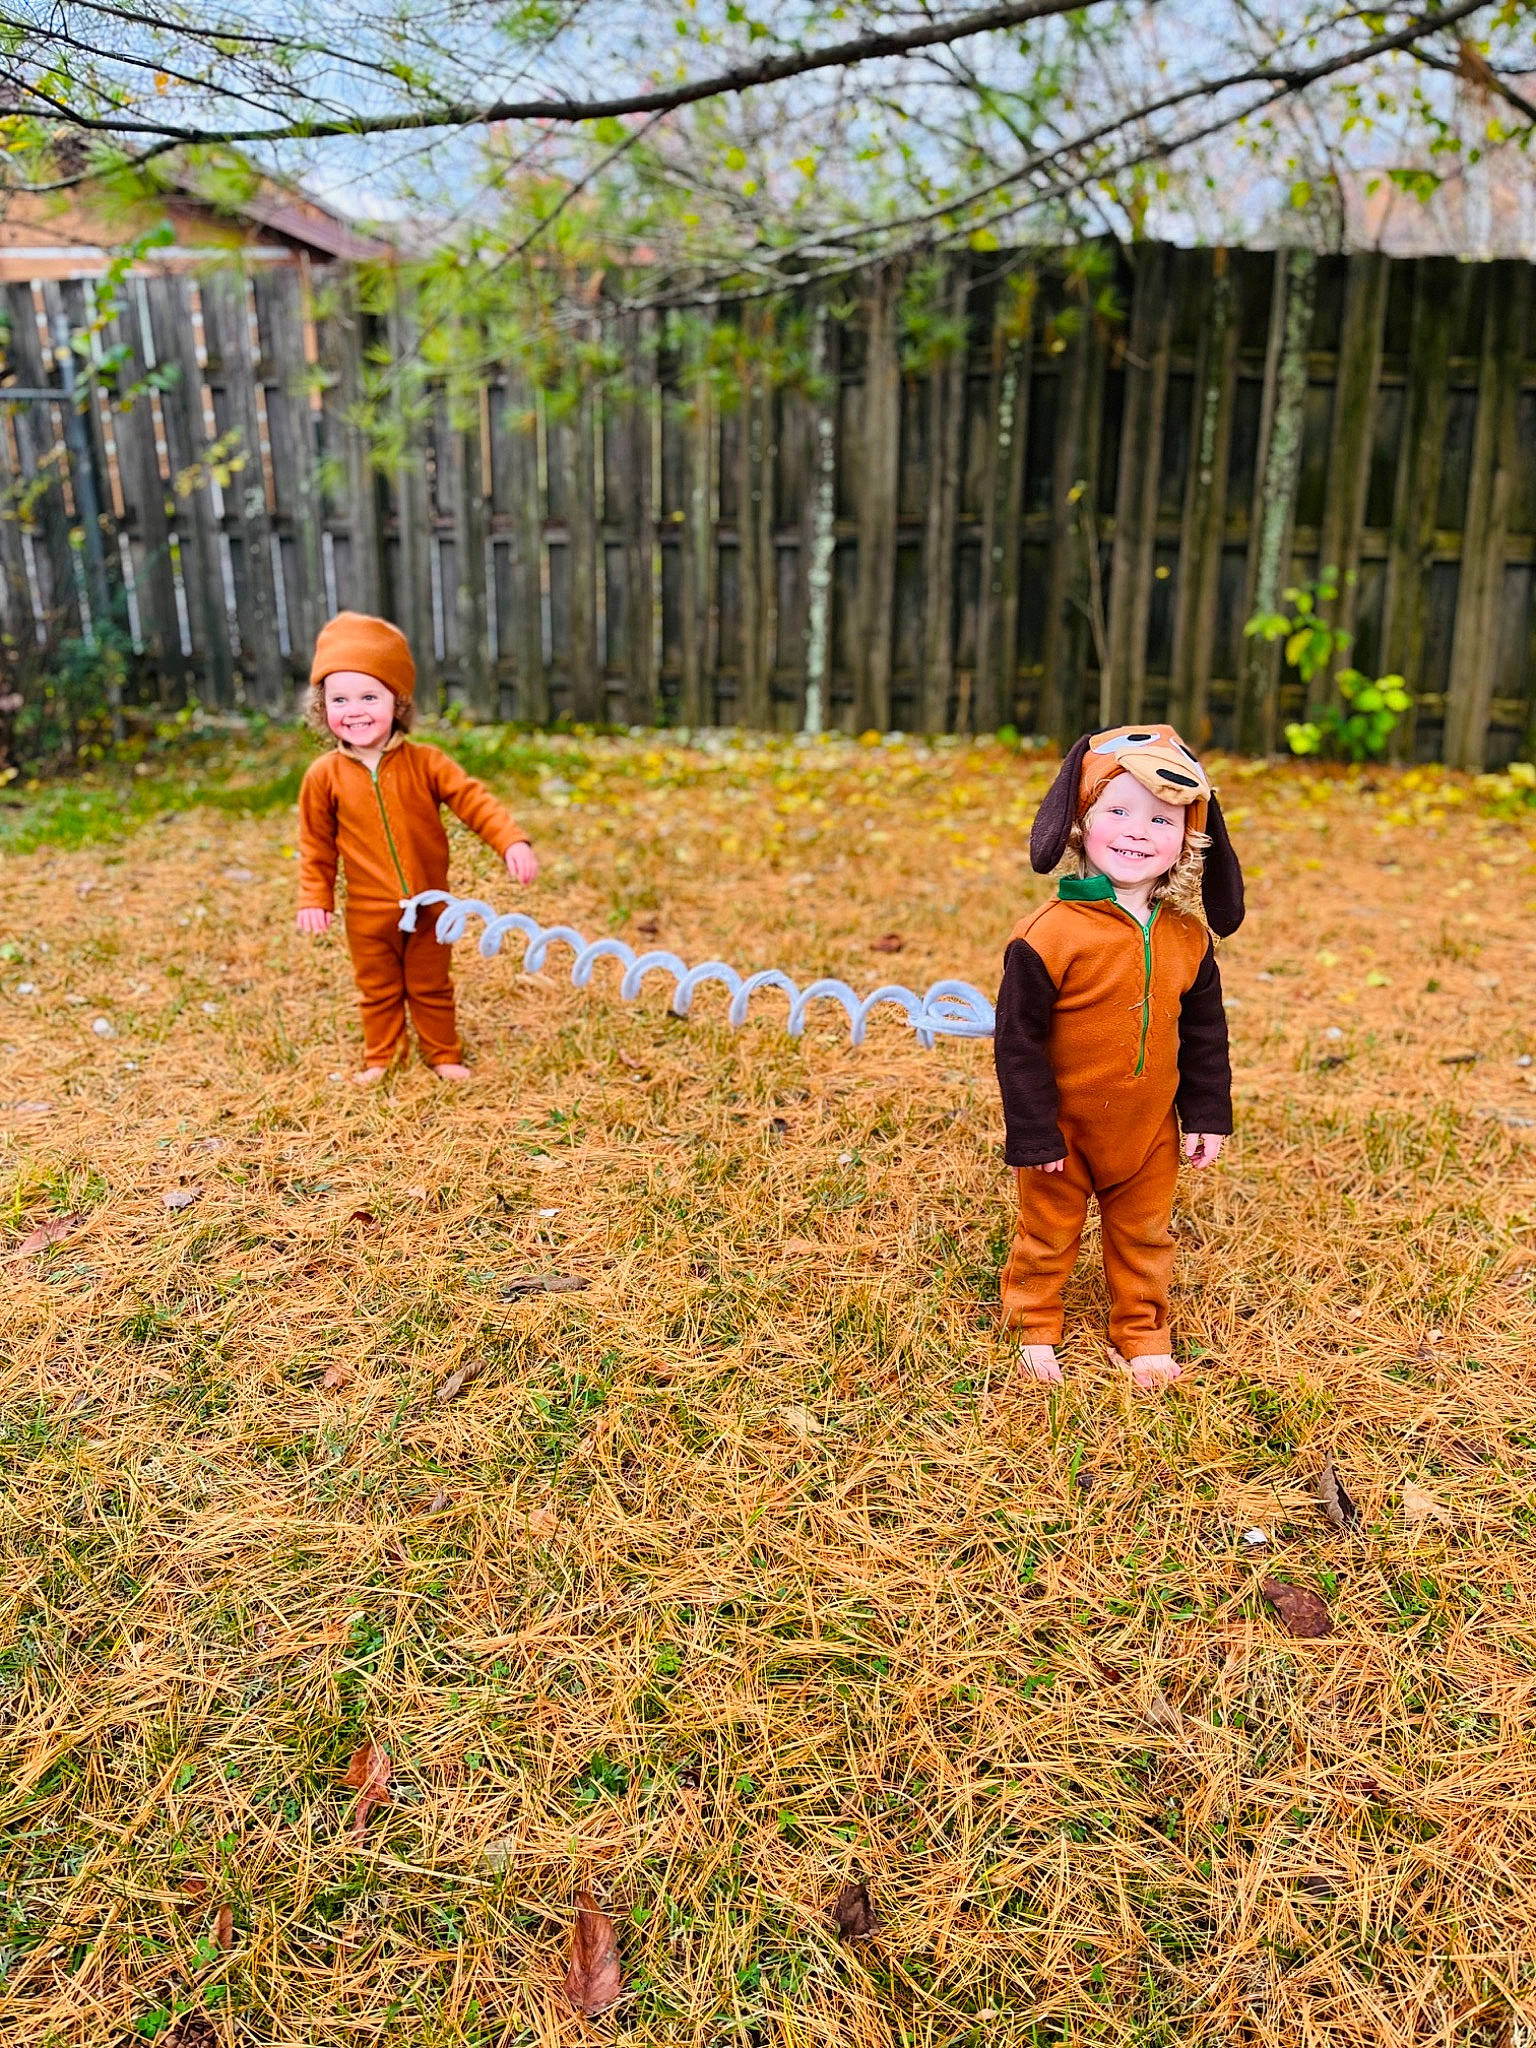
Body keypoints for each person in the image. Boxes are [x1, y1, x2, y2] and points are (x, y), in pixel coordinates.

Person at [993, 725, 1245, 1391]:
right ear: (1080, 822)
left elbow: (1206, 1036)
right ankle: (1033, 1325)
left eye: (1161, 818)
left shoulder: (1190, 939)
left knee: (1144, 1238)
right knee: (1048, 1233)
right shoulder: (1046, 936)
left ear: (1189, 839)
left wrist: (1207, 1115)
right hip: (1063, 1133)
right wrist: (1032, 1130)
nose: (1137, 831)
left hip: (1147, 1131)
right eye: (1118, 810)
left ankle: (1141, 1331)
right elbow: (1017, 1043)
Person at [295, 611, 538, 1083]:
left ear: (397, 701)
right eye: (339, 698)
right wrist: (314, 896)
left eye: (370, 695)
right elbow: (315, 844)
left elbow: (474, 800)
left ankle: (443, 1052)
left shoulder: (426, 763)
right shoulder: (323, 777)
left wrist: (510, 841)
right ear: (323, 708)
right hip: (368, 913)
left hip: (431, 906)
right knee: (378, 986)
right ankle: (382, 1058)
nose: (356, 709)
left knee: (430, 983)